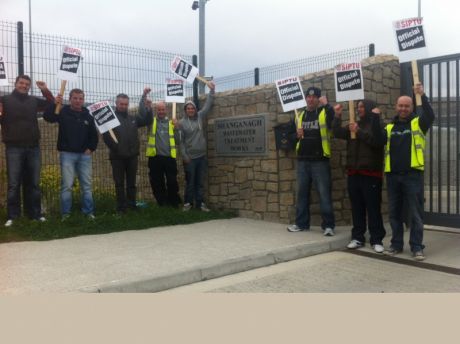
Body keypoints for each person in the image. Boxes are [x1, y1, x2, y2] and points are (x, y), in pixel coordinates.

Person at [381, 83, 434, 261]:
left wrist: (423, 96)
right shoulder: (389, 128)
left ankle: (417, 247)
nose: (403, 108)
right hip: (393, 177)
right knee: (394, 214)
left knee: (415, 213)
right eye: (400, 106)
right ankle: (396, 245)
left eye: (407, 106)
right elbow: (375, 140)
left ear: (411, 107)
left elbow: (431, 115)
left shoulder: (418, 123)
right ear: (396, 107)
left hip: (412, 176)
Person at [0, 75, 54, 227]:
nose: (24, 86)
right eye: (21, 83)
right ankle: (13, 216)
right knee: (14, 184)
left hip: (33, 147)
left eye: (27, 84)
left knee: (34, 184)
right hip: (13, 148)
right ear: (15, 83)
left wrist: (45, 90)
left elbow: (52, 105)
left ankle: (35, 214)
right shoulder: (4, 101)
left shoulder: (34, 101)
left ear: (29, 87)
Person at [332, 99, 386, 253]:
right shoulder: (354, 124)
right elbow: (336, 132)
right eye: (358, 107)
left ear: (369, 108)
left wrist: (359, 132)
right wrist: (337, 116)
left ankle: (376, 239)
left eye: (362, 106)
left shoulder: (377, 124)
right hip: (354, 173)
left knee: (373, 208)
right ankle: (357, 237)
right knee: (357, 208)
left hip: (371, 174)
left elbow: (377, 141)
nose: (359, 109)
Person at [287, 86, 336, 236]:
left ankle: (328, 226)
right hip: (302, 161)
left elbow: (332, 120)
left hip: (320, 160)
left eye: (314, 97)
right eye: (308, 97)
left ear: (318, 99)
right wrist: (296, 135)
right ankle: (301, 224)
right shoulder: (299, 116)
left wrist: (327, 104)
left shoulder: (323, 112)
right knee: (302, 194)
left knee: (324, 194)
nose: (310, 99)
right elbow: (288, 137)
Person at [44, 88, 98, 219]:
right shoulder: (63, 113)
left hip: (84, 156)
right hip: (67, 154)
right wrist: (54, 104)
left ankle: (89, 212)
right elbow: (48, 117)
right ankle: (66, 214)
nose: (78, 101)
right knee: (67, 186)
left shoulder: (88, 117)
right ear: (70, 99)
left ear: (83, 100)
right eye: (75, 98)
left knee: (86, 186)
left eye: (80, 98)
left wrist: (90, 149)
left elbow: (94, 136)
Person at [102, 91, 153, 213]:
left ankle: (132, 205)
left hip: (132, 156)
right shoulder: (110, 119)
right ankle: (121, 208)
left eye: (126, 104)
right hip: (117, 157)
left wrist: (149, 108)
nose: (124, 106)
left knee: (131, 183)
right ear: (116, 103)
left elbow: (147, 121)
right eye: (121, 104)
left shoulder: (133, 118)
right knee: (119, 184)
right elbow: (106, 137)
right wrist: (117, 149)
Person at [179, 81, 216, 212]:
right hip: (190, 158)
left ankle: (200, 204)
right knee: (190, 183)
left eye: (192, 108)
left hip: (201, 156)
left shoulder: (200, 116)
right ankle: (188, 204)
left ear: (195, 109)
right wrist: (184, 156)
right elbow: (181, 141)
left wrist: (212, 91)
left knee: (200, 183)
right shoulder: (181, 123)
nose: (190, 110)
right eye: (188, 108)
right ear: (185, 110)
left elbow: (207, 106)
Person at [141, 100, 181, 207]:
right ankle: (162, 203)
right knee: (157, 182)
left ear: (166, 110)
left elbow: (178, 140)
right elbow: (145, 115)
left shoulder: (171, 123)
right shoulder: (152, 122)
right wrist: (147, 106)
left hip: (169, 158)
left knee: (172, 181)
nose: (161, 111)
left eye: (163, 109)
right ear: (156, 110)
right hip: (155, 158)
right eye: (159, 109)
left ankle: (173, 202)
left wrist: (176, 127)